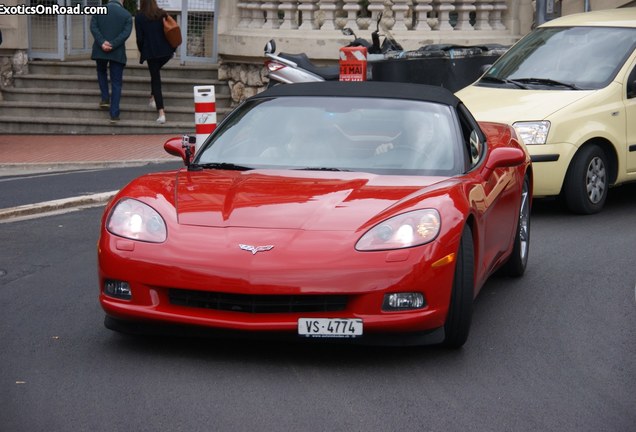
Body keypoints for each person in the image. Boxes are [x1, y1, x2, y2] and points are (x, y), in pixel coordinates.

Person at [90, 0, 133, 124]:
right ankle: (114, 114)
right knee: (116, 82)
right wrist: (113, 44)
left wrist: (102, 42)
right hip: (117, 52)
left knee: (101, 71)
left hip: (100, 50)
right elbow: (125, 34)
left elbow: (93, 27)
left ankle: (105, 98)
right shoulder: (126, 15)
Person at [135, 0, 176, 124]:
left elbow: (139, 38)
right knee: (155, 74)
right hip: (166, 52)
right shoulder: (162, 14)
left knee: (156, 79)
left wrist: (143, 50)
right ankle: (152, 97)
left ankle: (161, 112)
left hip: (151, 53)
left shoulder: (139, 17)